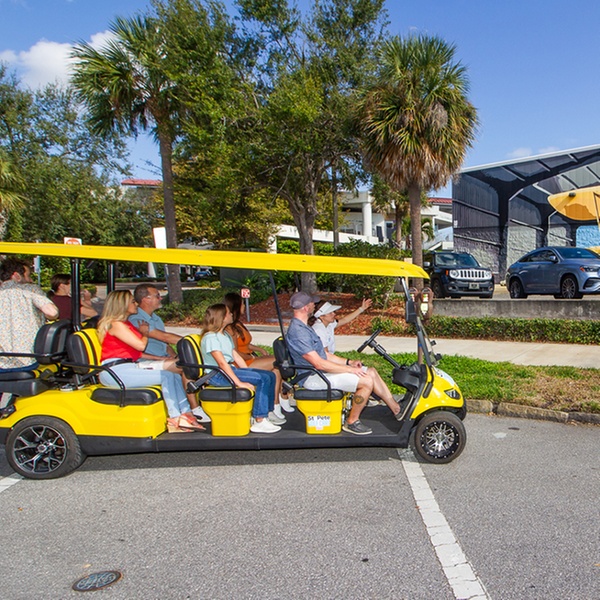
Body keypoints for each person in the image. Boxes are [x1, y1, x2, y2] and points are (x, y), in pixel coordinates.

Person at [285, 291, 402, 436]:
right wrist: (349, 369)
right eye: (311, 303)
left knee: (370, 372)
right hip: (312, 377)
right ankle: (352, 422)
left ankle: (396, 409)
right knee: (366, 381)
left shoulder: (304, 328)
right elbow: (319, 363)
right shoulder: (299, 332)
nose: (314, 305)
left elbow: (325, 355)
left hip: (319, 373)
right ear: (305, 307)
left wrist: (349, 362)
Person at [97, 290, 202, 434]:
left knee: (174, 375)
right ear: (122, 304)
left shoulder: (126, 324)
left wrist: (160, 358)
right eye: (132, 301)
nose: (136, 304)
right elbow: (140, 345)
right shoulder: (116, 325)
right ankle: (175, 418)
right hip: (115, 371)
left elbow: (136, 352)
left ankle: (186, 413)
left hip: (128, 366)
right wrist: (145, 333)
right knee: (166, 375)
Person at [128, 283, 211, 423]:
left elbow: (164, 345)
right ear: (146, 299)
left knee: (188, 363)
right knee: (186, 367)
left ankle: (189, 408)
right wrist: (191, 343)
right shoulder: (137, 320)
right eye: (157, 296)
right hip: (146, 362)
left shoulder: (155, 318)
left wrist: (175, 355)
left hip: (162, 359)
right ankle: (195, 409)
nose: (160, 298)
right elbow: (164, 337)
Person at [200, 303, 280, 434]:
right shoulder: (211, 337)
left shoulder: (224, 335)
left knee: (269, 375)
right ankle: (259, 419)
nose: (231, 314)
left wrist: (248, 371)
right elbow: (222, 363)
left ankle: (267, 412)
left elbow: (235, 356)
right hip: (217, 375)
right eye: (228, 313)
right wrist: (239, 383)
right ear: (222, 317)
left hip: (228, 371)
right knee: (262, 379)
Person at [223, 291, 292, 418]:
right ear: (236, 306)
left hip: (249, 357)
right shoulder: (230, 328)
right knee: (278, 362)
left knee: (277, 368)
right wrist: (252, 357)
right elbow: (235, 352)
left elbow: (246, 344)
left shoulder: (238, 324)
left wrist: (259, 349)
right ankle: (276, 403)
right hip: (242, 363)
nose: (245, 306)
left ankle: (279, 401)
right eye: (243, 304)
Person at [0, 258, 59, 370]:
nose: (31, 280)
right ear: (17, 276)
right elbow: (52, 312)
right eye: (28, 276)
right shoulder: (29, 290)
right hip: (26, 360)